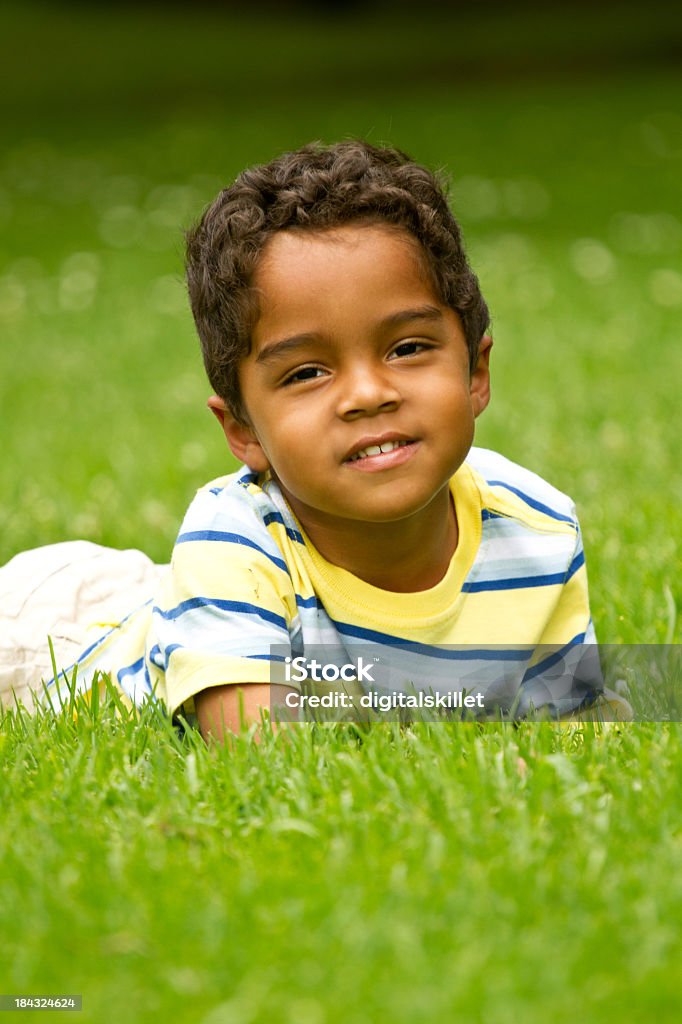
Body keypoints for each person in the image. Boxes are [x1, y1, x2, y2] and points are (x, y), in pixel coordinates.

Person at [0, 140, 631, 737]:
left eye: (407, 347)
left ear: (476, 373)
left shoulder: (539, 530)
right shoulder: (233, 547)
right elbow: (258, 751)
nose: (367, 393)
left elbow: (570, 722)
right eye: (307, 372)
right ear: (243, 430)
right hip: (54, 628)